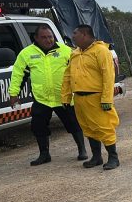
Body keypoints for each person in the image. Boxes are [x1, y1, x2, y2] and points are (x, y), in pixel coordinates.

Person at [9, 25, 87, 165]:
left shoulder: (65, 51)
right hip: (42, 98)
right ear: (36, 38)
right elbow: (18, 74)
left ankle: (82, 150)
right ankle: (44, 155)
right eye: (44, 37)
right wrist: (14, 93)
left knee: (73, 123)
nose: (48, 40)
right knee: (38, 126)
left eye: (50, 37)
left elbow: (79, 69)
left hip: (64, 97)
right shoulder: (26, 53)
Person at [61, 25, 120, 170]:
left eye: (75, 33)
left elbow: (108, 76)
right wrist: (66, 97)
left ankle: (113, 158)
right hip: (80, 98)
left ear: (85, 35)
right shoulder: (75, 53)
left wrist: (106, 99)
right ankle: (96, 157)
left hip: (96, 97)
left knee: (104, 127)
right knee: (88, 128)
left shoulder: (101, 51)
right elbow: (68, 76)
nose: (72, 36)